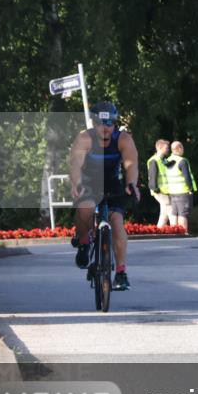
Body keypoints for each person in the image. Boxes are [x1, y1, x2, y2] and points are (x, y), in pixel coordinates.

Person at [69, 100, 141, 290]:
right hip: (88, 182)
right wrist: (76, 183)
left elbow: (131, 164)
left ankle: (121, 273)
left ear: (115, 123)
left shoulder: (123, 139)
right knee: (86, 208)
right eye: (101, 123)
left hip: (111, 182)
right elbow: (75, 165)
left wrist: (131, 184)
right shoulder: (84, 138)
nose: (105, 128)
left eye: (110, 123)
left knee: (117, 222)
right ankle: (84, 241)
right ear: (94, 123)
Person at [166, 140, 197, 233]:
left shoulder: (168, 161)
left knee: (174, 213)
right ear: (179, 148)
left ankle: (174, 233)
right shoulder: (182, 161)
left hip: (172, 192)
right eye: (182, 148)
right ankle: (183, 233)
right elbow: (187, 176)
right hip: (182, 191)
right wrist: (190, 189)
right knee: (183, 214)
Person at [146, 139, 172, 227]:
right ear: (160, 148)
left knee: (164, 212)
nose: (168, 149)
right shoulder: (154, 160)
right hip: (159, 191)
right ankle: (177, 228)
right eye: (166, 148)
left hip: (163, 190)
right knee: (170, 208)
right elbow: (152, 176)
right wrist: (155, 189)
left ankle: (159, 230)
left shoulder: (163, 159)